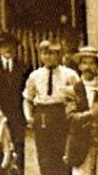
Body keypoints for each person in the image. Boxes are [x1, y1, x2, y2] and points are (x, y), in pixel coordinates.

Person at [24, 39, 80, 175]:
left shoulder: (69, 75)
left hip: (62, 114)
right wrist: (29, 117)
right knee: (44, 155)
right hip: (42, 114)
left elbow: (79, 97)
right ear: (40, 56)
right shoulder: (35, 76)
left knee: (63, 153)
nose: (49, 57)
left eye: (53, 53)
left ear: (60, 55)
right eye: (45, 53)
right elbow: (27, 99)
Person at [66, 46, 98, 175]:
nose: (88, 67)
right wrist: (90, 114)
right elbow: (70, 117)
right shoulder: (72, 90)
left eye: (92, 63)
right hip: (81, 145)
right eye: (84, 63)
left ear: (97, 66)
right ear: (79, 66)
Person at [0, 33, 28, 174]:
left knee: (18, 149)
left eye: (11, 46)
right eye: (4, 46)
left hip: (17, 117)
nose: (8, 49)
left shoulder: (23, 68)